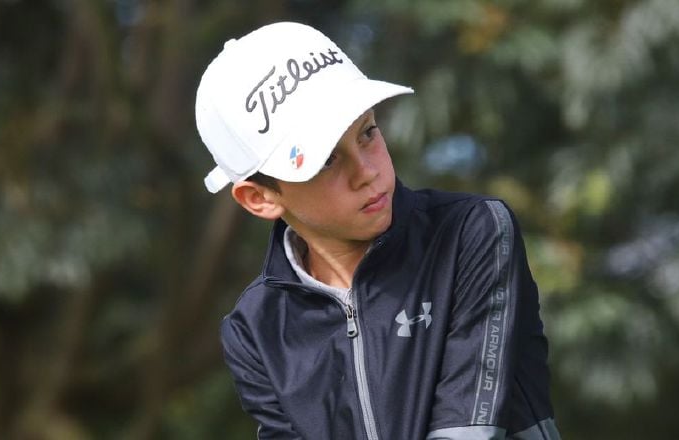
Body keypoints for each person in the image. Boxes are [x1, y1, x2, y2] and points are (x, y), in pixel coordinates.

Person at [195, 21, 561, 440]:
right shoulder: (254, 329)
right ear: (260, 198)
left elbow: (467, 432)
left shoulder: (469, 233)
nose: (367, 172)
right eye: (327, 160)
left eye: (368, 133)